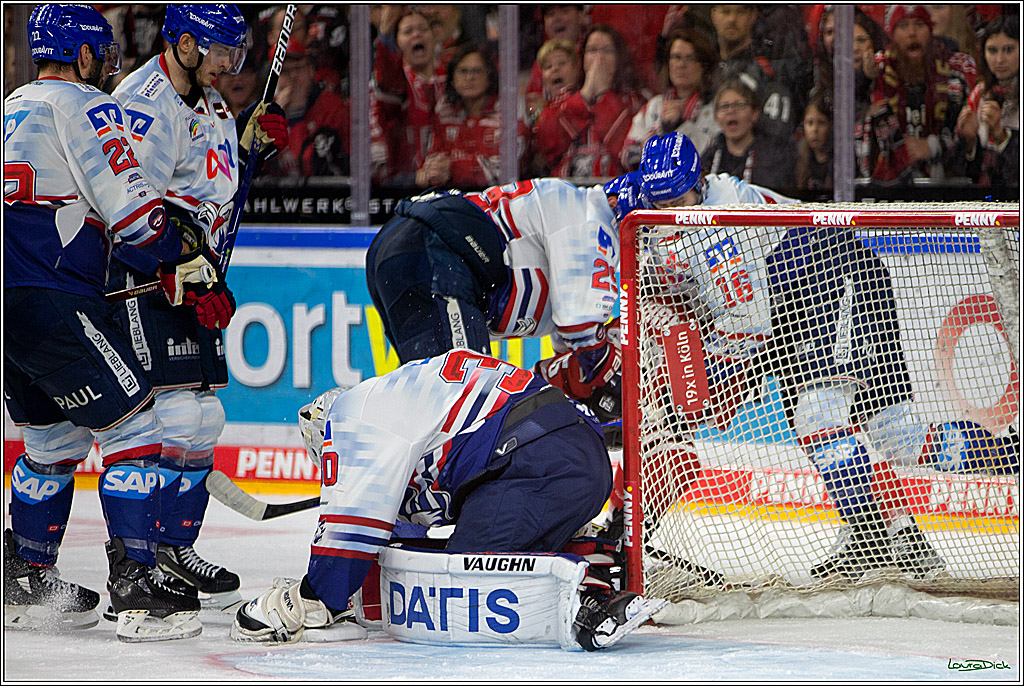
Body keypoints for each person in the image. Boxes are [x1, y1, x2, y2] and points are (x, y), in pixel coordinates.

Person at [636, 132, 1018, 582]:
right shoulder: (660, 219)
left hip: (829, 282)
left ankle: (872, 538)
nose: (671, 211)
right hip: (820, 295)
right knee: (895, 431)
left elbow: (750, 327)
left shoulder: (723, 215)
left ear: (698, 183)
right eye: (660, 200)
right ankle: (902, 532)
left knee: (819, 418)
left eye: (679, 198)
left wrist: (713, 381)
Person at [4, 4, 234, 641]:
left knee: (50, 442)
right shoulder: (81, 106)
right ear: (79, 56)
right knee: (139, 424)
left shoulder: (11, 104)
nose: (110, 66)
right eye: (102, 54)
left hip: (8, 303)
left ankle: (25, 575)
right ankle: (137, 585)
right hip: (54, 295)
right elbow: (136, 213)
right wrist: (183, 258)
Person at [230, 350, 664, 650]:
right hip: (569, 455)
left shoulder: (349, 416)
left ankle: (587, 604)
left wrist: (311, 595)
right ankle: (601, 559)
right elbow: (401, 541)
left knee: (464, 586)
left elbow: (352, 527)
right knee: (479, 553)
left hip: (533, 459)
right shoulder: (400, 407)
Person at [107, 3, 288, 617]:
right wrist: (179, 266)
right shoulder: (143, 99)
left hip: (196, 272)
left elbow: (213, 185)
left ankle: (176, 548)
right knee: (173, 418)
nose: (230, 68)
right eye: (220, 53)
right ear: (184, 43)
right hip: (149, 276)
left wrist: (251, 149)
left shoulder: (211, 102)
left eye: (236, 57)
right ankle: (146, 553)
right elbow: (135, 204)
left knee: (204, 420)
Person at [364, 177, 626, 416]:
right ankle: (342, 424)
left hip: (401, 251)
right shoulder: (594, 220)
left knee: (429, 409)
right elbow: (579, 328)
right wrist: (618, 376)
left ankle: (354, 433)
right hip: (434, 249)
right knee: (465, 412)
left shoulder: (578, 240)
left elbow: (573, 357)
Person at [858, 5, 975, 183]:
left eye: (919, 24)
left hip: (950, 186)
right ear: (892, 34)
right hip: (888, 188)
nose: (912, 33)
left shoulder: (959, 68)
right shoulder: (877, 68)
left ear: (930, 30)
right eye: (903, 26)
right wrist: (862, 78)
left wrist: (932, 147)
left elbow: (972, 132)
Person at [531, 24, 646, 179]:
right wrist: (585, 96)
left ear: (619, 58)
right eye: (592, 50)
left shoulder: (634, 102)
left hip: (615, 192)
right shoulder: (561, 101)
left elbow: (627, 154)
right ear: (583, 59)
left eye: (607, 51)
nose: (599, 58)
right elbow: (547, 148)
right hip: (566, 193)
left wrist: (603, 96)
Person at [416, 43, 522, 189]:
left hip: (499, 199)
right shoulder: (444, 110)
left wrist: (454, 169)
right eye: (463, 71)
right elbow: (434, 155)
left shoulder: (510, 111)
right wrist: (431, 171)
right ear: (452, 78)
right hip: (453, 197)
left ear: (490, 76)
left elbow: (504, 170)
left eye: (477, 71)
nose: (469, 77)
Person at [621, 28, 720, 172]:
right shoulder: (654, 106)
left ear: (704, 66)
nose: (681, 65)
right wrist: (648, 148)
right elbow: (627, 155)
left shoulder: (715, 110)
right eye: (676, 57)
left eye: (690, 58)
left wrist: (679, 125)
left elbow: (713, 159)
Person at [369, 9, 446, 187]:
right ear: (397, 42)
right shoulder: (396, 81)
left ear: (435, 35)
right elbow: (388, 79)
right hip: (405, 184)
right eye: (408, 31)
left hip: (448, 180)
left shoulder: (452, 77)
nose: (416, 34)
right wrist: (385, 36)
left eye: (422, 29)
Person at [264, 38, 350, 178]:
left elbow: (314, 169)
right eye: (284, 71)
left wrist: (296, 115)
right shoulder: (266, 111)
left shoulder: (331, 106)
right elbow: (257, 171)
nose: (293, 77)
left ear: (311, 70)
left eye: (298, 69)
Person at [949, 15, 1019, 187]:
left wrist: (1002, 137)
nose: (999, 60)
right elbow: (958, 171)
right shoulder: (979, 93)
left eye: (1009, 50)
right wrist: (969, 142)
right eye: (992, 51)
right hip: (983, 198)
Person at [700, 79, 796, 191]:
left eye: (739, 105)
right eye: (724, 106)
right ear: (716, 117)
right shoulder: (709, 157)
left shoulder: (776, 154)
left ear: (754, 114)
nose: (731, 111)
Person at [524, 38, 582, 127]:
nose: (555, 69)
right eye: (548, 66)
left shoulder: (585, 102)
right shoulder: (541, 108)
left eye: (562, 63)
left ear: (576, 68)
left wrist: (545, 111)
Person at [795, 92, 833, 193]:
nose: (815, 129)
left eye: (821, 123)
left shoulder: (839, 163)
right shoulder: (796, 161)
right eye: (810, 123)